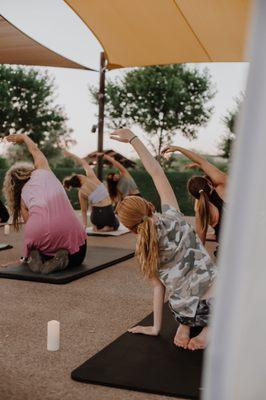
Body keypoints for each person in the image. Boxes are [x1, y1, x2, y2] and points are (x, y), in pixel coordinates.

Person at [111, 129, 217, 351]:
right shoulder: (173, 215)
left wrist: (155, 328)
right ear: (148, 205)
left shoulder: (144, 250)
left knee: (182, 294)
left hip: (182, 310)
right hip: (214, 304)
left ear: (132, 230)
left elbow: (158, 289)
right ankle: (209, 329)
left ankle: (185, 325)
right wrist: (133, 139)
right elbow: (156, 172)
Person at [3, 134, 87, 274]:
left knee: (38, 244)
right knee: (79, 254)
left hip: (39, 234)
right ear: (30, 171)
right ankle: (65, 259)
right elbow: (35, 150)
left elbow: (30, 223)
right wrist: (24, 138)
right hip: (69, 229)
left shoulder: (23, 197)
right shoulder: (44, 171)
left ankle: (35, 256)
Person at [161, 146, 227, 245]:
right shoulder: (223, 186)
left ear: (194, 196)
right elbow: (203, 162)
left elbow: (200, 244)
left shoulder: (201, 212)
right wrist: (178, 149)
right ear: (209, 184)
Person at [63, 150, 119, 232]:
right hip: (107, 212)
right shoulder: (91, 177)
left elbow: (84, 211)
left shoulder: (81, 193)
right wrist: (71, 155)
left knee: (96, 214)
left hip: (95, 217)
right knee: (116, 223)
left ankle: (97, 227)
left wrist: (84, 225)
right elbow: (83, 162)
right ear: (79, 177)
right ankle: (107, 227)